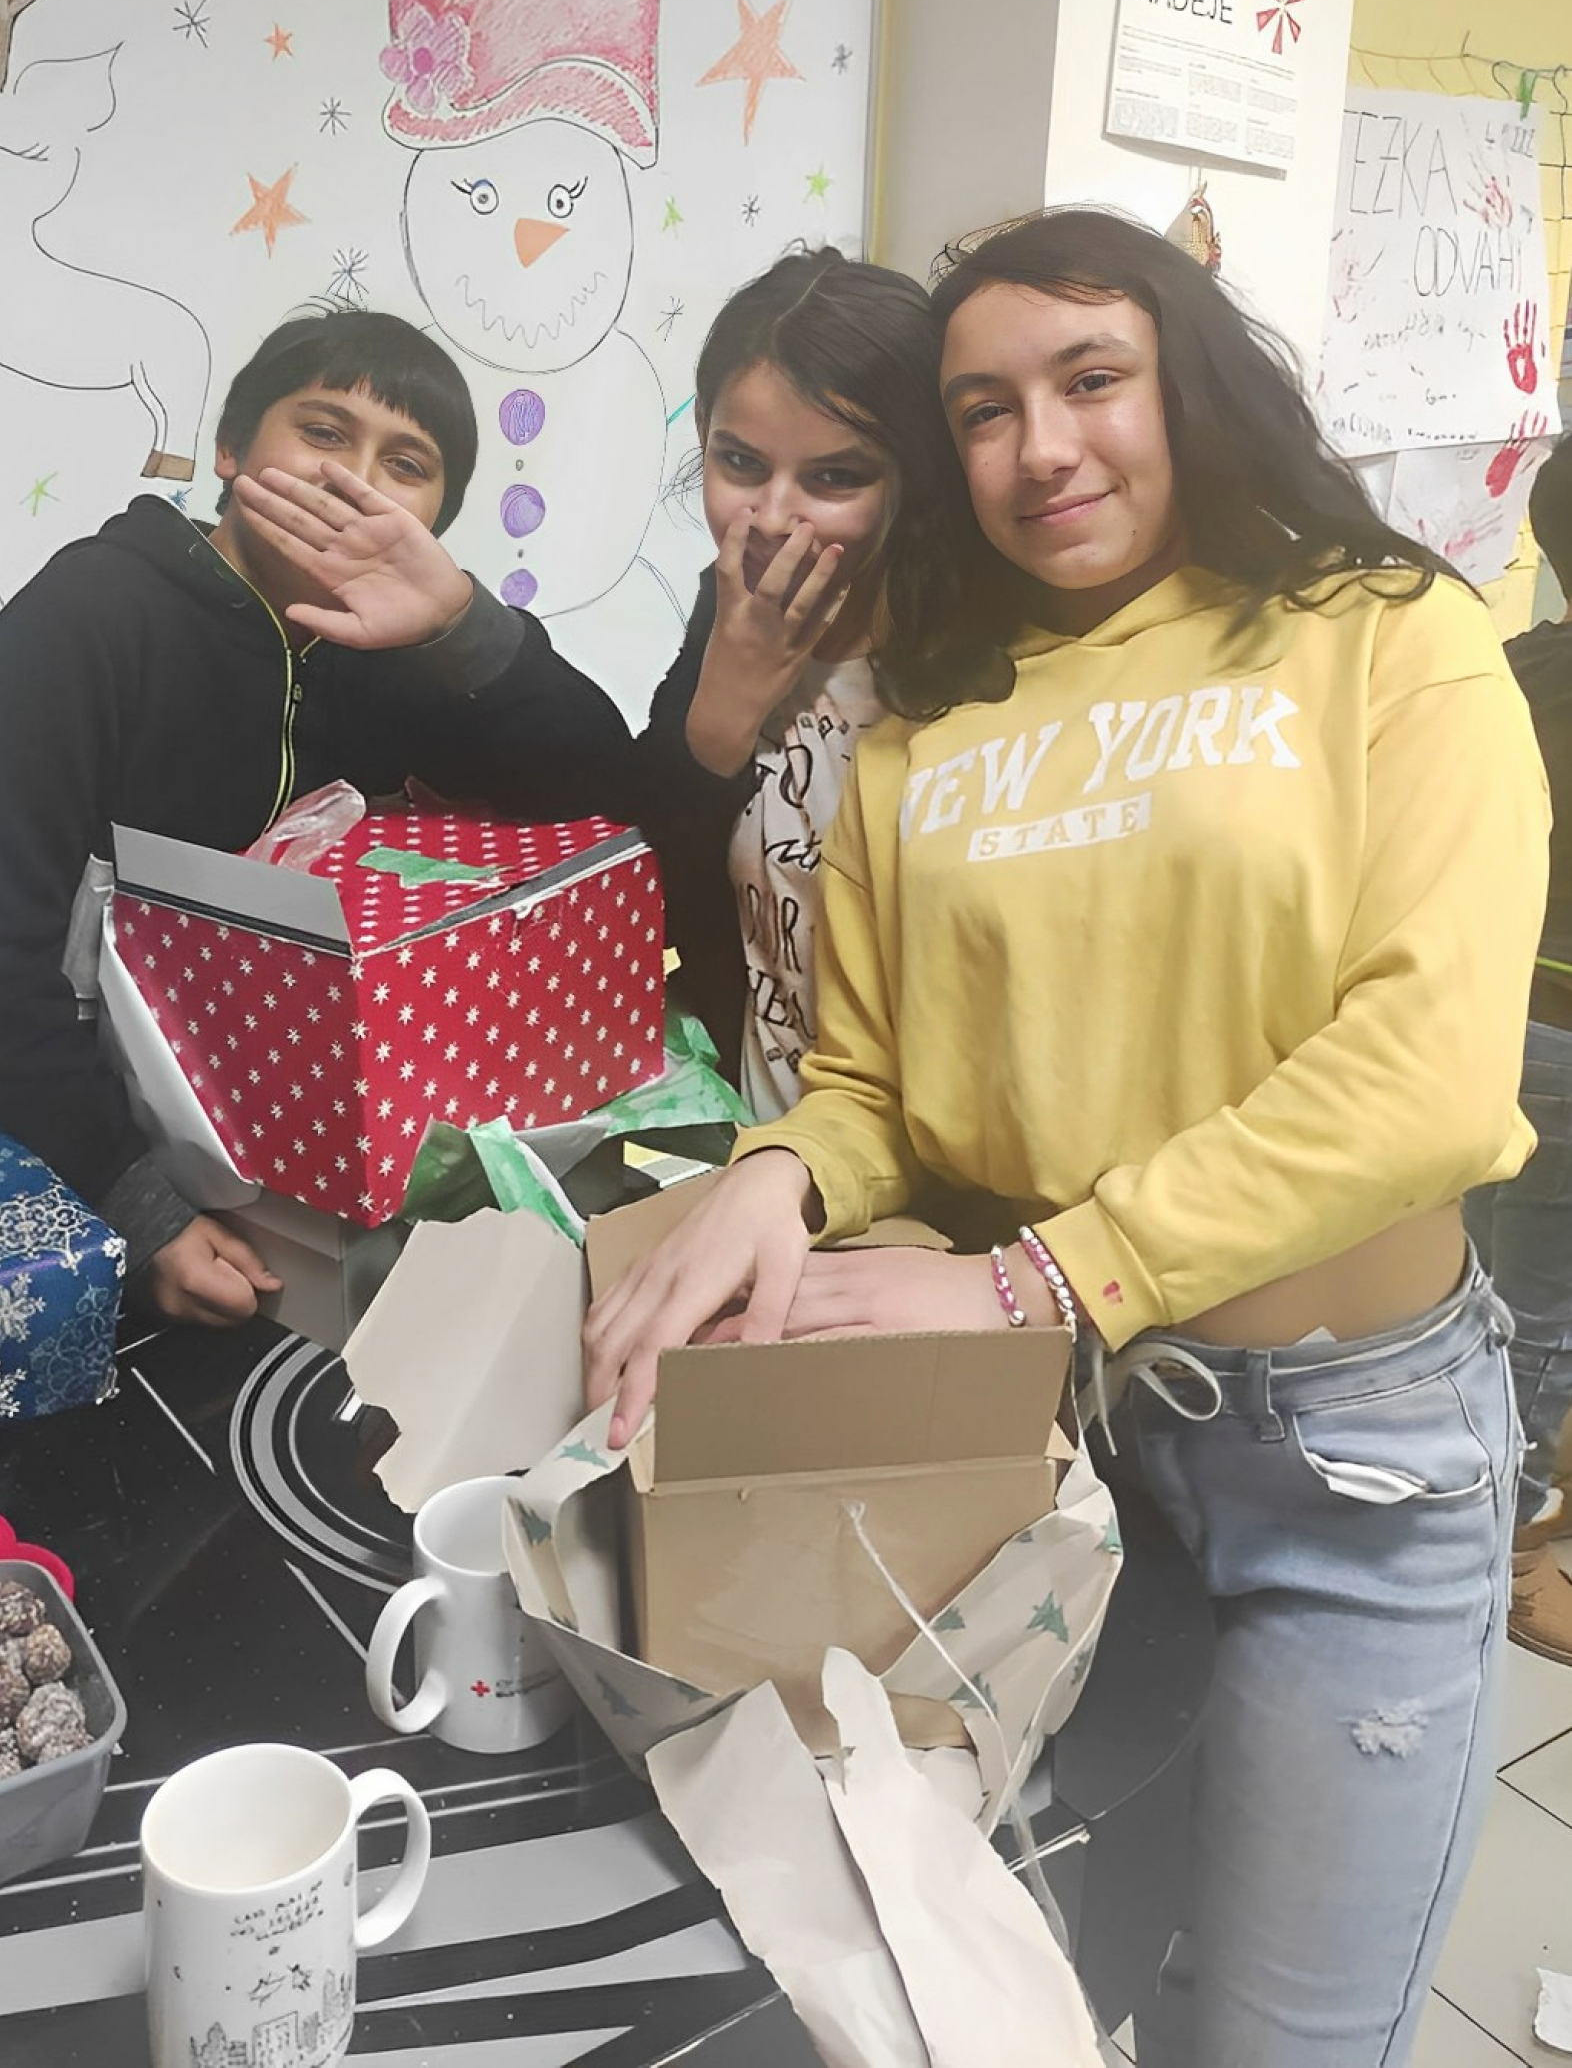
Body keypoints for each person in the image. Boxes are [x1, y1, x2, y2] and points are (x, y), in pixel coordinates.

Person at [585, 208, 1548, 2068]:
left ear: (1188, 380)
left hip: (1342, 1460)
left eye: (1091, 378)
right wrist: (775, 1174)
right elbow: (872, 1083)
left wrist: (1043, 1272)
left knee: (1273, 2036)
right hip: (1046, 1438)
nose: (1042, 446)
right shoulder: (931, 715)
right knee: (1043, 1981)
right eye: (983, 410)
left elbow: (1428, 1075)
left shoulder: (1387, 633)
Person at [0, 308, 636, 1329]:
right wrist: (139, 1206)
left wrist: (462, 623)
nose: (353, 479)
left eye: (405, 463)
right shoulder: (85, 621)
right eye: (323, 432)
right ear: (232, 450)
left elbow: (596, 795)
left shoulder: (395, 656)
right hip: (28, 1132)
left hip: (244, 1144)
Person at [636, 248, 967, 1112]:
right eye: (741, 463)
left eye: (835, 477)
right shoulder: (726, 608)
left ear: (915, 477)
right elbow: (650, 892)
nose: (774, 517)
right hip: (754, 1137)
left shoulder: (979, 658)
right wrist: (718, 719)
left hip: (916, 1167)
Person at [1468, 433, 1572, 1663]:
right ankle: (1510, 1550)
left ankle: (1495, 1497)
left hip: (1503, 1017)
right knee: (1541, 1303)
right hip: (1556, 1037)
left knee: (1505, 1278)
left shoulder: (1506, 671)